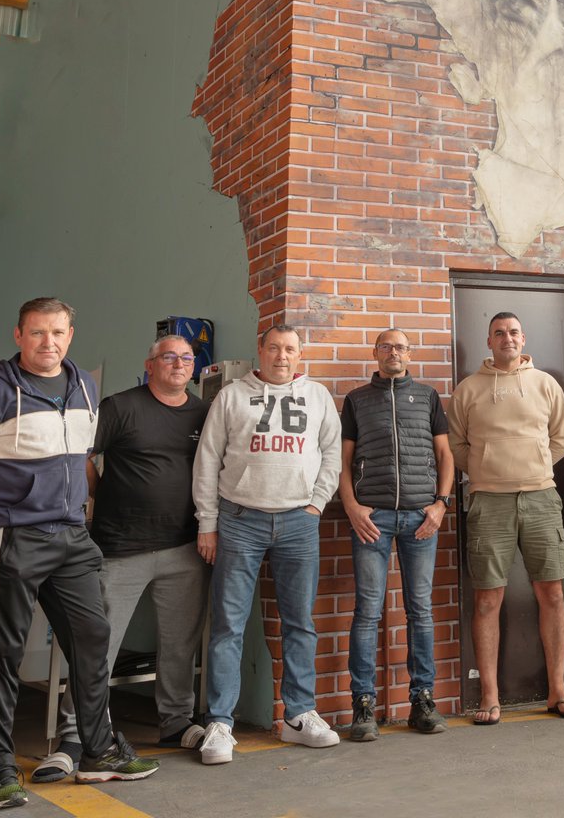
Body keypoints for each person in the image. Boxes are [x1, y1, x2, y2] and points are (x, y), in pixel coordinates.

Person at [0, 297, 159, 811]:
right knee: (4, 652)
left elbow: (81, 456)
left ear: (70, 335)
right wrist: (1, 509)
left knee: (92, 636)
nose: (49, 343)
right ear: (18, 335)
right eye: (37, 333)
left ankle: (98, 750)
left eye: (57, 332)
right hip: (13, 536)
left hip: (71, 535)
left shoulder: (84, 385)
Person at [31, 334, 211, 783]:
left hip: (184, 547)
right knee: (98, 647)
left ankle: (175, 721)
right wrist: (95, 493)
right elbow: (82, 455)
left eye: (186, 358)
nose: (178, 364)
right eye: (168, 356)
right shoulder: (120, 406)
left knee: (179, 645)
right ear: (150, 364)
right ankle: (77, 733)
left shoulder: (203, 412)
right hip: (118, 547)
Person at [192, 323, 342, 764]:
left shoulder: (317, 396)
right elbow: (207, 460)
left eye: (290, 349)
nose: (281, 356)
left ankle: (299, 715)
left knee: (300, 623)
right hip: (239, 520)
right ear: (260, 350)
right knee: (228, 625)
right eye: (274, 348)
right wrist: (207, 523)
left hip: (299, 520)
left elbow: (332, 453)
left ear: (300, 354)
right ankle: (220, 723)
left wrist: (316, 504)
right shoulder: (231, 396)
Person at [448, 312, 564, 726]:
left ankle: (558, 689)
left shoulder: (545, 384)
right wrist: (489, 467)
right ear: (489, 341)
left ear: (523, 338)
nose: (507, 338)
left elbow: (562, 438)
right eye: (499, 333)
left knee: (553, 594)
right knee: (488, 598)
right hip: (489, 502)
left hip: (541, 497)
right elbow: (455, 444)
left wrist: (534, 464)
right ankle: (490, 695)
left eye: (513, 332)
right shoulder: (468, 390)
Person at [339, 329, 454, 741]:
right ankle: (363, 706)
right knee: (368, 611)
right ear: (375, 352)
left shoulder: (427, 396)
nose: (394, 352)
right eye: (386, 346)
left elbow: (445, 454)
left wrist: (440, 504)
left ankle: (422, 701)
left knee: (420, 609)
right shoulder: (356, 400)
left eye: (401, 347)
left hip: (421, 519)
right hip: (373, 518)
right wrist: (351, 507)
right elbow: (344, 460)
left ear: (410, 353)